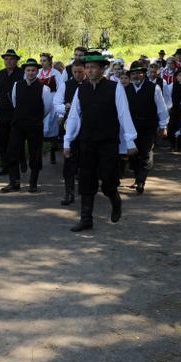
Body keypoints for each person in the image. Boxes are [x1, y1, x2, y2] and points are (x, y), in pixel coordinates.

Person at [62, 52, 137, 233]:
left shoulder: (115, 88)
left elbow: (124, 114)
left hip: (108, 142)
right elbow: (74, 117)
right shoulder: (81, 89)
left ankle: (115, 199)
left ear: (102, 69)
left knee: (109, 180)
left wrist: (130, 141)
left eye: (93, 67)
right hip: (87, 141)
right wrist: (67, 140)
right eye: (87, 68)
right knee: (86, 180)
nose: (89, 71)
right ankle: (86, 219)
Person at [2, 58, 53, 193]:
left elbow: (47, 108)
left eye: (33, 70)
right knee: (12, 151)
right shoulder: (17, 85)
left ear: (37, 71)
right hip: (18, 124)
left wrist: (37, 118)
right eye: (28, 70)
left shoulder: (44, 89)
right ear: (25, 71)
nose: (30, 73)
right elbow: (15, 103)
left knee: (35, 153)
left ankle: (33, 183)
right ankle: (14, 182)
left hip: (35, 125)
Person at [125, 66, 169, 194]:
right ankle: (137, 176)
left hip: (149, 126)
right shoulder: (126, 89)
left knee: (146, 153)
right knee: (133, 154)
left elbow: (162, 108)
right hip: (132, 127)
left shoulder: (154, 88)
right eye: (133, 74)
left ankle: (141, 181)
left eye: (139, 73)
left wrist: (163, 126)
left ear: (144, 74)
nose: (136, 76)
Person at [55, 59, 85, 205]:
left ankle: (86, 192)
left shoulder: (90, 85)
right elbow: (56, 103)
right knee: (69, 162)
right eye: (75, 72)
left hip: (87, 129)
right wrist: (65, 107)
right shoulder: (65, 85)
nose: (77, 75)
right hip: (70, 127)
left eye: (80, 72)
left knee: (86, 161)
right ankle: (69, 193)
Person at [0, 49, 23, 175]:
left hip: (16, 112)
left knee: (14, 140)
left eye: (11, 59)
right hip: (2, 111)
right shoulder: (0, 74)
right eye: (6, 59)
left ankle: (16, 163)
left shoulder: (22, 73)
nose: (8, 61)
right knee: (1, 141)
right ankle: (5, 166)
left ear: (16, 60)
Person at [36, 52, 64, 165]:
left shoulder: (55, 73)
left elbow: (61, 88)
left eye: (44, 61)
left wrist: (58, 103)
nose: (42, 63)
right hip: (40, 101)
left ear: (49, 62)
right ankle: (39, 154)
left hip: (52, 100)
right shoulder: (38, 72)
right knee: (40, 127)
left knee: (52, 126)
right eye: (41, 61)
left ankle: (52, 151)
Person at [165, 69, 181, 151]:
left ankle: (180, 145)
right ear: (176, 77)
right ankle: (172, 144)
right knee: (171, 127)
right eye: (180, 75)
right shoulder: (171, 85)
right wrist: (168, 108)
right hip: (173, 110)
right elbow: (167, 98)